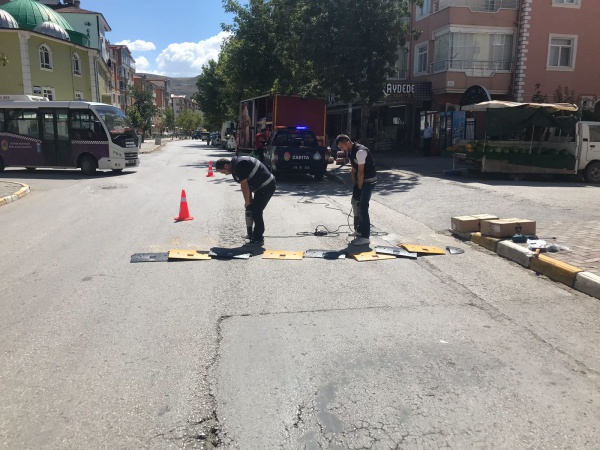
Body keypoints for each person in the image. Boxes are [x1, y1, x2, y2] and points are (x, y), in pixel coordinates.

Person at [215, 156, 276, 246]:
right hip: (261, 187)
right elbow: (248, 184)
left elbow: (244, 186)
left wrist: (247, 202)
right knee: (252, 209)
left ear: (226, 166)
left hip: (267, 186)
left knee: (256, 211)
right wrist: (249, 200)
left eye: (223, 172)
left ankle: (258, 239)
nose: (224, 174)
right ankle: (252, 235)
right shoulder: (236, 166)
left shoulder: (240, 165)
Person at [335, 134, 377, 246]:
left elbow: (361, 172)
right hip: (361, 181)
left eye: (342, 147)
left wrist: (359, 187)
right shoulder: (350, 152)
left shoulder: (360, 152)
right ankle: (359, 230)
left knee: (363, 207)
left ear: (348, 143)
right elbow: (354, 169)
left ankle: (365, 236)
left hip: (368, 181)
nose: (341, 149)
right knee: (356, 203)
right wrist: (355, 185)